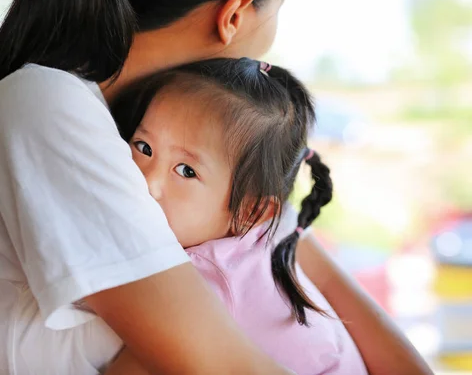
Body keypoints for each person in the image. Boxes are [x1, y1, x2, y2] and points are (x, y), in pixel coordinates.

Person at [0, 0, 432, 374]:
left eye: (185, 170)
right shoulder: (50, 106)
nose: (150, 176)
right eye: (276, 12)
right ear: (235, 14)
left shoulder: (211, 180)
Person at [104, 57, 366, 374]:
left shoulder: (206, 278)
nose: (148, 181)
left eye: (186, 171)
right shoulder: (255, 243)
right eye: (143, 147)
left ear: (250, 212)